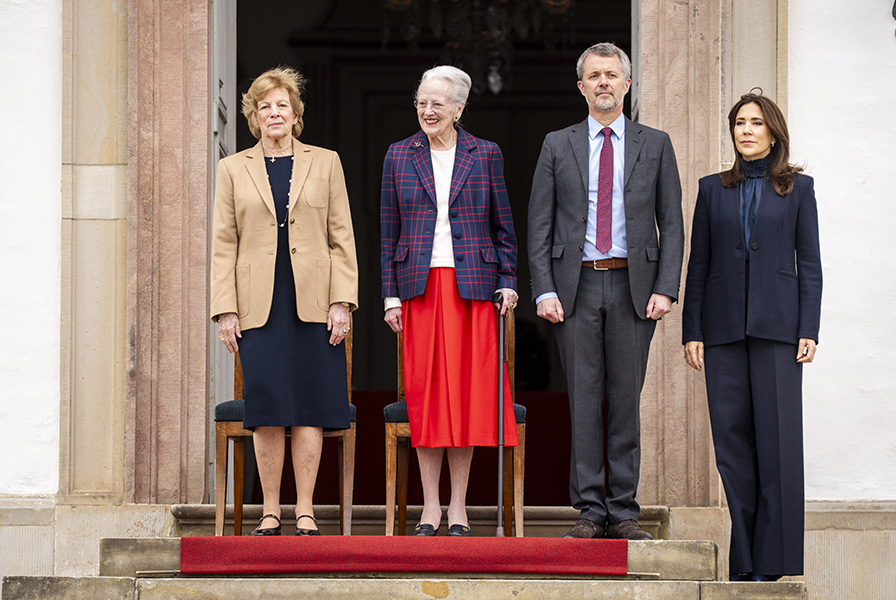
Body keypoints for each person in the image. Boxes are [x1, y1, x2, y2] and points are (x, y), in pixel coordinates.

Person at [527, 42, 683, 540]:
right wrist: (543, 289)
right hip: (575, 287)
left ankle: (624, 510)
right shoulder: (557, 143)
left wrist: (666, 287)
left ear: (627, 83)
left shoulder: (654, 143)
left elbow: (673, 224)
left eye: (612, 75)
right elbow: (540, 225)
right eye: (594, 75)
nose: (603, 83)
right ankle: (591, 510)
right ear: (581, 86)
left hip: (635, 287)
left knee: (625, 399)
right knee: (584, 397)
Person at [210, 66, 358, 536]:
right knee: (269, 406)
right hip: (259, 304)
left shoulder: (326, 161)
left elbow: (342, 238)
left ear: (296, 115)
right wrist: (225, 308)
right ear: (254, 117)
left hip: (315, 302)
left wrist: (343, 301)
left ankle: (306, 508)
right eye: (264, 106)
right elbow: (223, 244)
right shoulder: (233, 168)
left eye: (282, 105)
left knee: (311, 404)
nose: (274, 113)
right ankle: (270, 508)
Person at [682, 90, 822, 580]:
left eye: (755, 123)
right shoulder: (712, 187)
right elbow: (698, 264)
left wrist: (810, 327)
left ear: (773, 132)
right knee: (732, 449)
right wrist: (692, 330)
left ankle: (774, 561)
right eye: (739, 122)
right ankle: (745, 559)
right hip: (721, 332)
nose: (745, 130)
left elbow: (811, 264)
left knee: (778, 445)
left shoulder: (798, 189)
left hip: (780, 331)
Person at [380, 65, 519, 537]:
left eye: (438, 102)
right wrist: (389, 295)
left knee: (466, 400)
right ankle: (430, 506)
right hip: (418, 289)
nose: (428, 110)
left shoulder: (486, 154)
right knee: (426, 398)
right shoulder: (398, 155)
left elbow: (504, 226)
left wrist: (509, 279)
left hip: (474, 288)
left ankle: (458, 507)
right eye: (421, 101)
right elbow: (388, 231)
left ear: (460, 107)